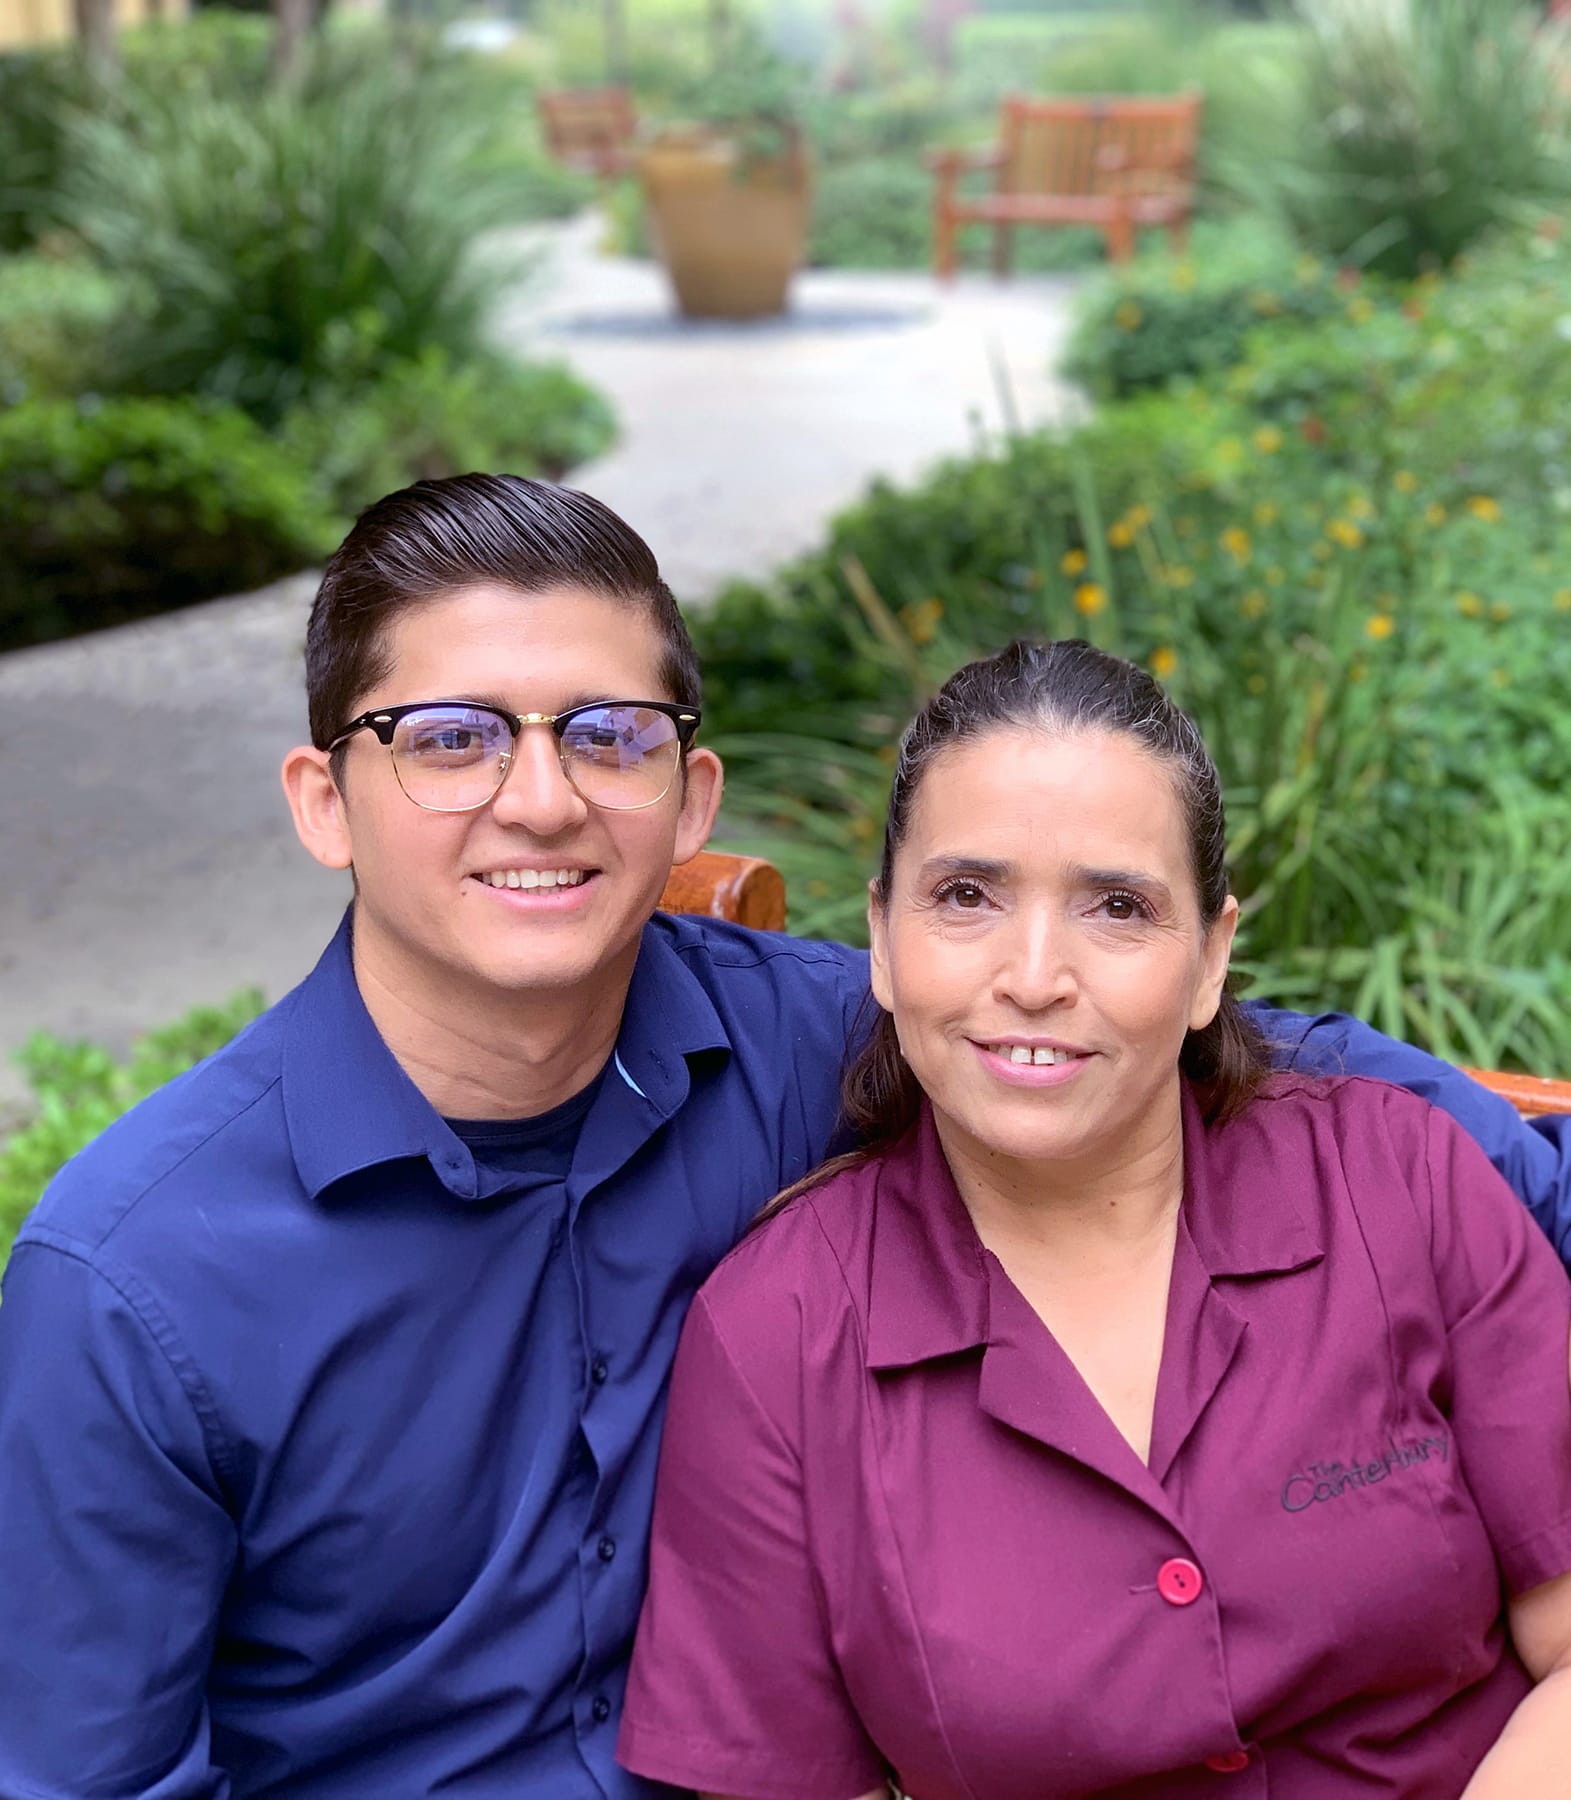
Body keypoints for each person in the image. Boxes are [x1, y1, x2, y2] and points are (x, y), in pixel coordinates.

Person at [0, 478, 1565, 1800]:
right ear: (324, 800)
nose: (538, 799)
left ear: (689, 797)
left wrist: (1481, 1196)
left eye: (605, 734)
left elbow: (1181, 1054)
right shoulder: (135, 1286)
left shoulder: (839, 1037)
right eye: (449, 737)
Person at [618, 639, 1571, 1800]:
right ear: (881, 939)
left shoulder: (1400, 1178)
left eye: (1116, 907)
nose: (1033, 976)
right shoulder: (776, 1334)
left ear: (1210, 958)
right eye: (964, 896)